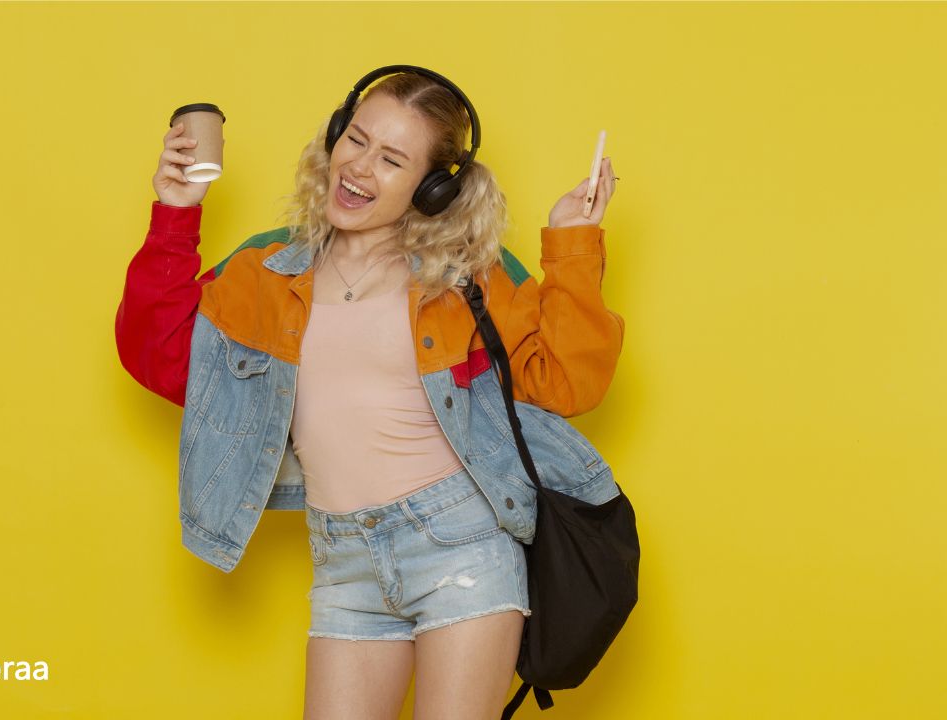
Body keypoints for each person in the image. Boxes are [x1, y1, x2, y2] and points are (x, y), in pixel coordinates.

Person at [116, 66, 622, 720]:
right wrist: (176, 214)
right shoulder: (265, 273)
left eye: (393, 160)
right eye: (356, 140)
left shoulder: (468, 279)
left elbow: (567, 379)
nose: (359, 168)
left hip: (460, 548)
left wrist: (574, 246)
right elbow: (163, 359)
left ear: (433, 189)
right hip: (344, 560)